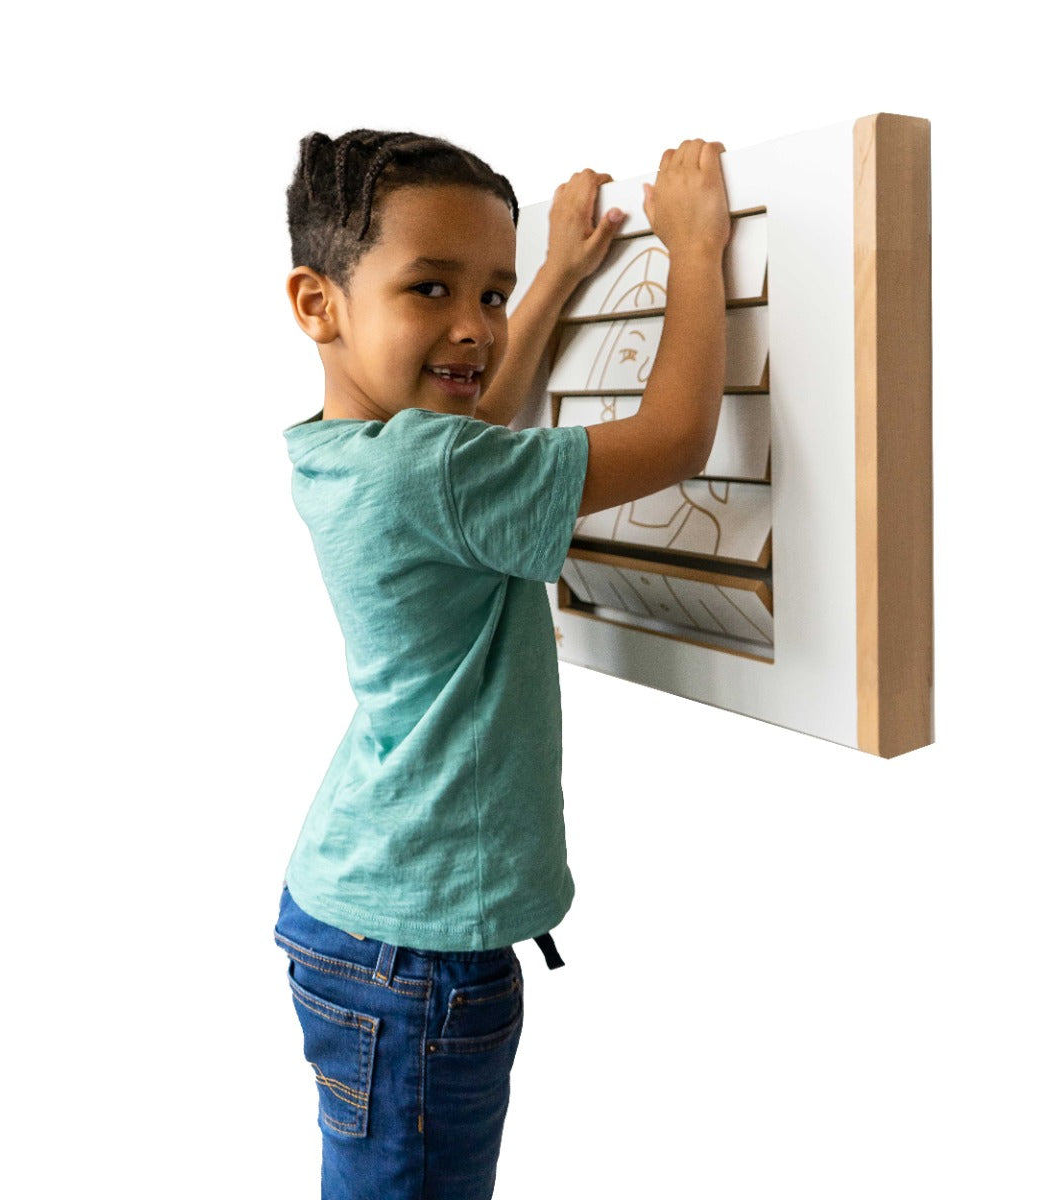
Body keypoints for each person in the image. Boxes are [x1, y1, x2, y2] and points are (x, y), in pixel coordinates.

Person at [272, 127, 729, 1199]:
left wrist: (563, 269)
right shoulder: (427, 470)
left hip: (361, 917)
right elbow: (674, 439)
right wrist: (695, 250)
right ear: (317, 302)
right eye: (432, 288)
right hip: (416, 954)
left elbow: (480, 409)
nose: (474, 328)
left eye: (495, 292)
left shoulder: (354, 449)